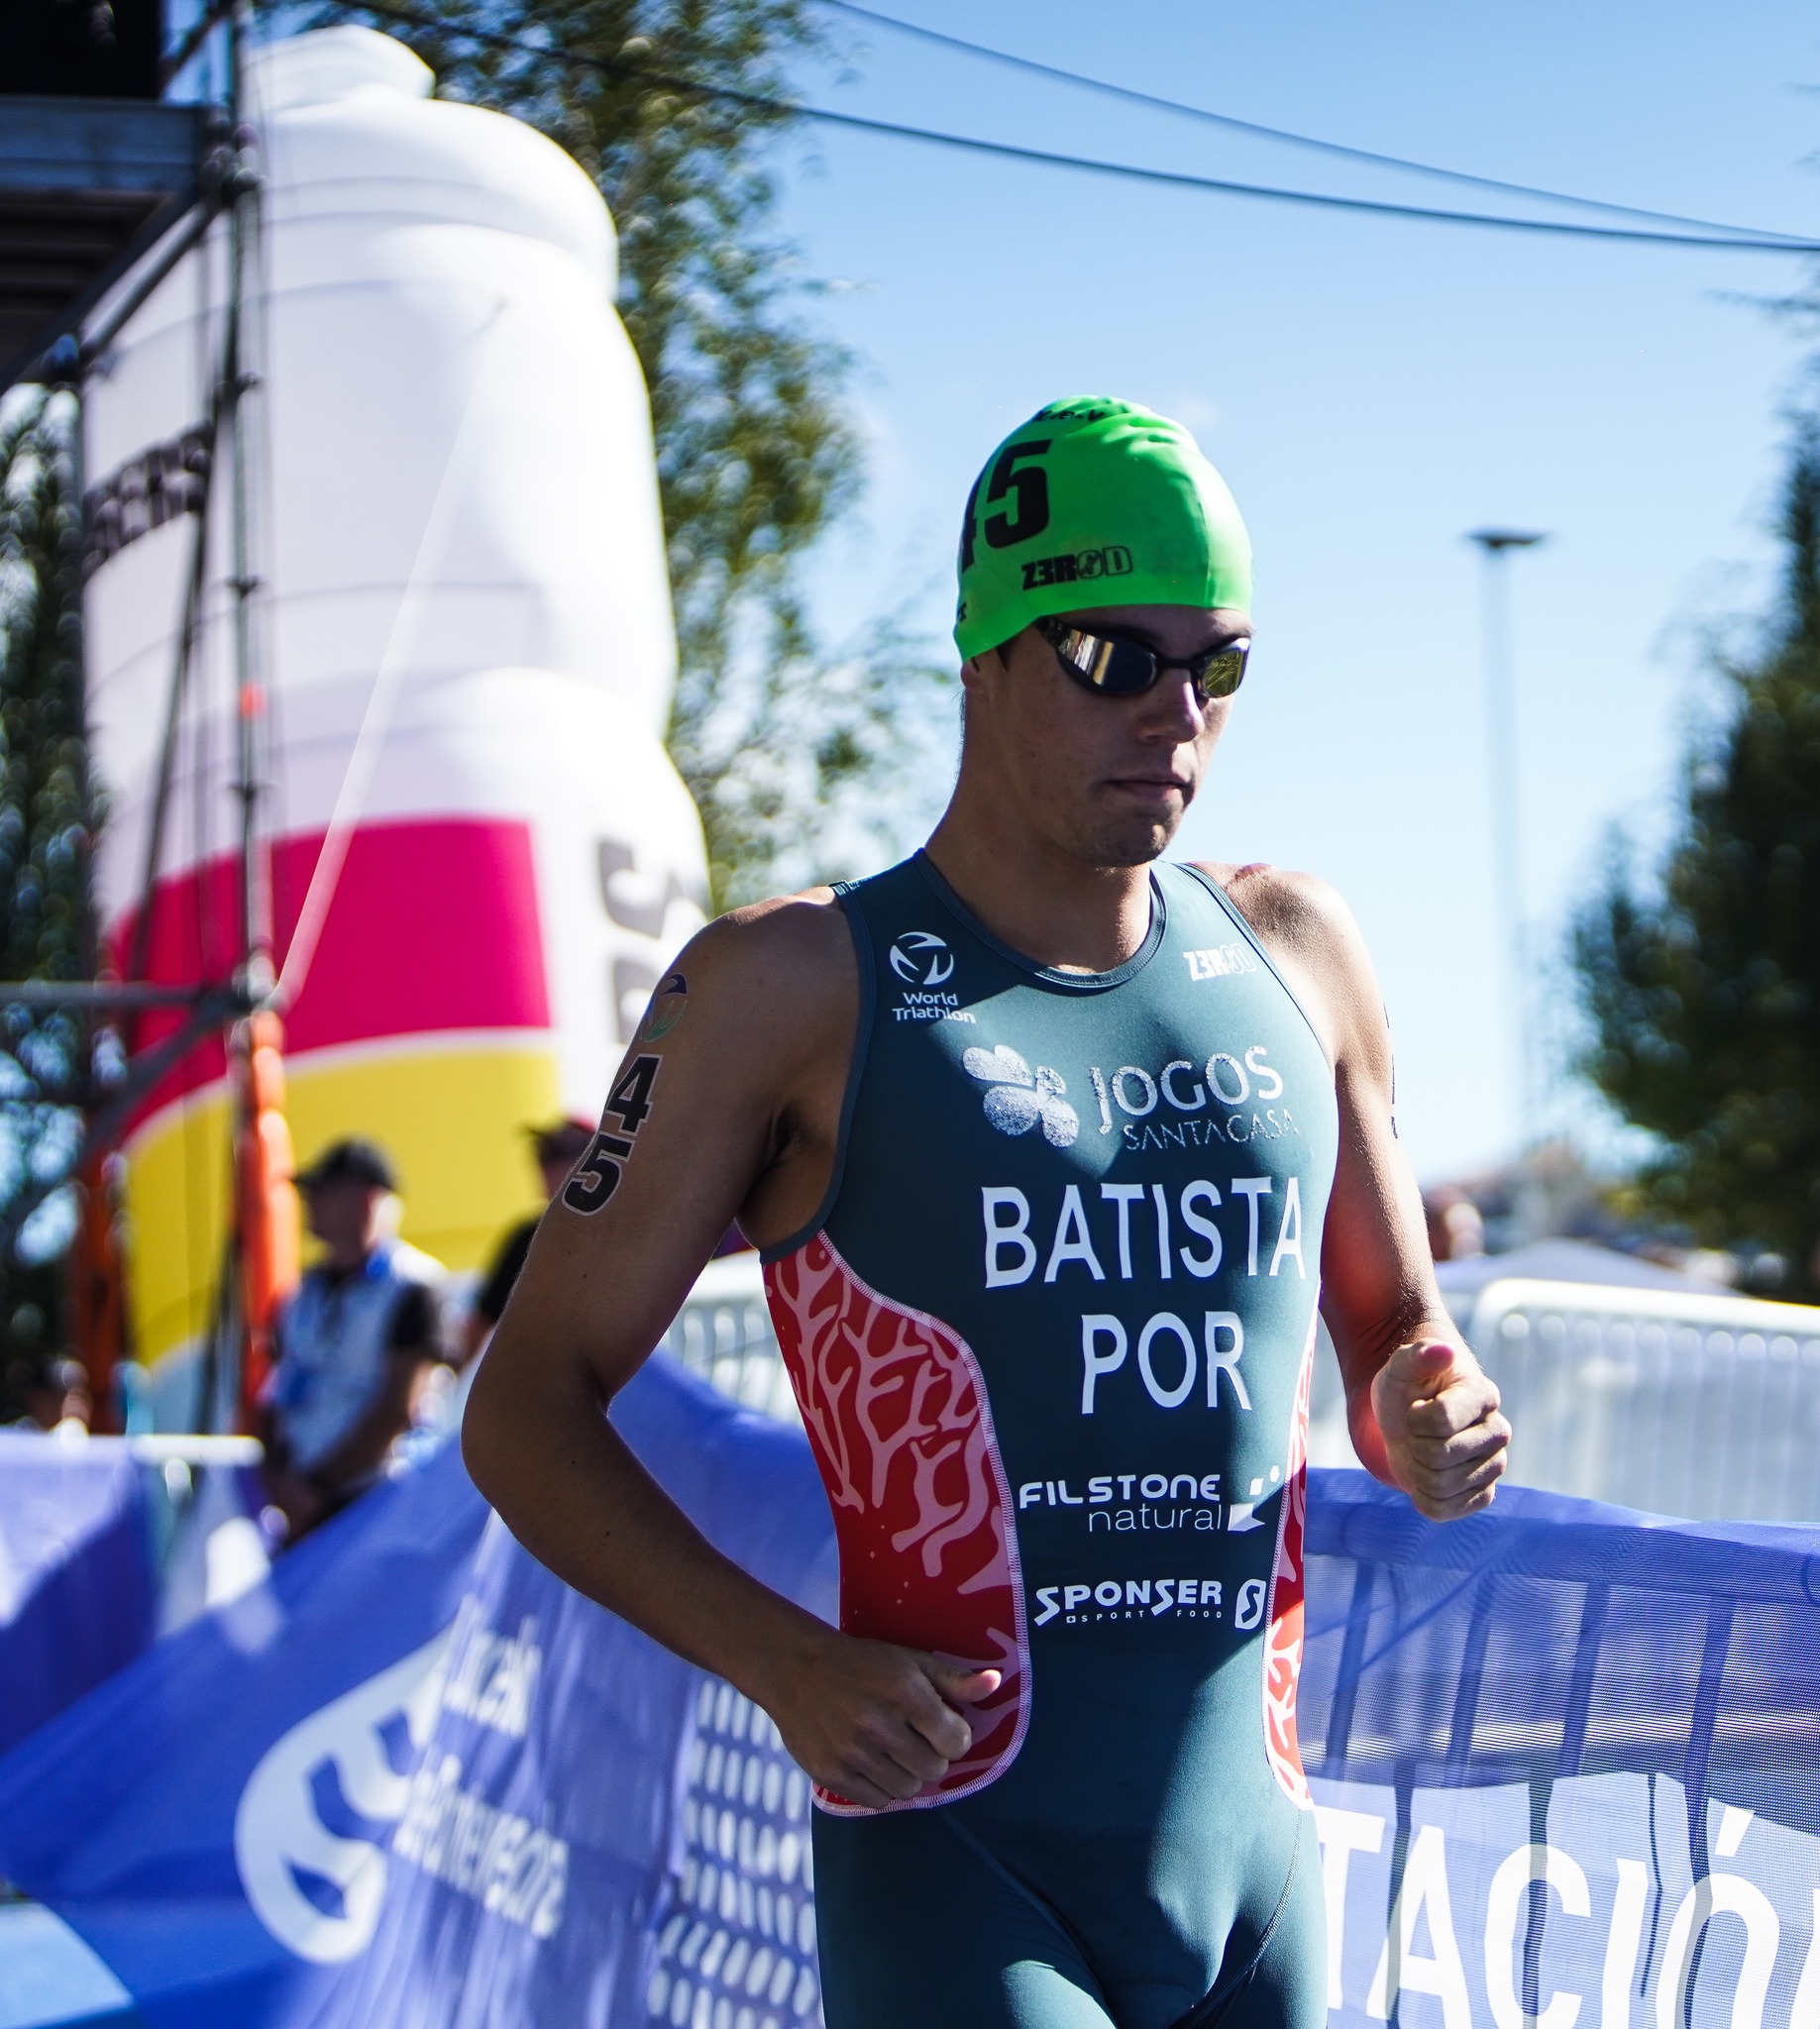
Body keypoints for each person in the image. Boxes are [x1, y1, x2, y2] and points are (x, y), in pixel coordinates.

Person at [465, 398, 1511, 2029]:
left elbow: (1397, 1348)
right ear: (984, 650)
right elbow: (524, 1410)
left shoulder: (1295, 952)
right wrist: (783, 1663)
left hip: (1260, 1855)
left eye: (1212, 665)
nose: (1172, 709)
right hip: (964, 1857)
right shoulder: (790, 985)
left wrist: (1425, 1412)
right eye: (1112, 655)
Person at [260, 1136, 445, 1541]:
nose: (310, 1202)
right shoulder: (299, 1294)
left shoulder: (413, 1287)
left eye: (323, 1191)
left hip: (381, 1504)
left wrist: (316, 1487)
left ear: (366, 1201)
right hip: (303, 1505)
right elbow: (273, 1397)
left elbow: (400, 1405)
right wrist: (283, 1485)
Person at [456, 1118, 596, 1370]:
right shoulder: (526, 1238)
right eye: (541, 1153)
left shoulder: (627, 1235)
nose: (543, 1165)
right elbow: (477, 1329)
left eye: (557, 1153)